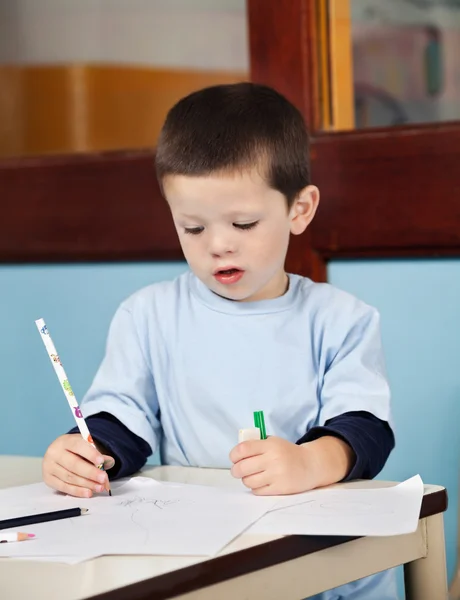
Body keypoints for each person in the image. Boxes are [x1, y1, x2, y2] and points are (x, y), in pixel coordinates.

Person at [42, 82, 396, 599]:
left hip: (318, 554)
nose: (218, 245)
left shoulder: (341, 319)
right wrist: (86, 453)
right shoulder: (148, 316)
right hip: (198, 549)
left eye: (244, 222)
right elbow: (121, 417)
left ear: (300, 210)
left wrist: (308, 463)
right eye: (192, 227)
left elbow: (365, 429)